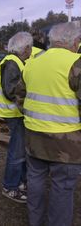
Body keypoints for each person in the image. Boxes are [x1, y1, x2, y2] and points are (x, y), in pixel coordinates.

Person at [15, 22, 81, 226]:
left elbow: (19, 97)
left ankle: (35, 221)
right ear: (75, 41)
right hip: (67, 142)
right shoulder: (76, 63)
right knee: (62, 187)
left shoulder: (33, 62)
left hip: (35, 136)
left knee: (35, 181)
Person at [0, 32, 33, 203]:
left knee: (20, 151)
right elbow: (11, 91)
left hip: (16, 113)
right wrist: (28, 102)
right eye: (29, 47)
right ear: (24, 48)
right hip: (14, 113)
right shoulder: (12, 63)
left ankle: (19, 182)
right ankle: (10, 186)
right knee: (17, 152)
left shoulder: (15, 61)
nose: (31, 50)